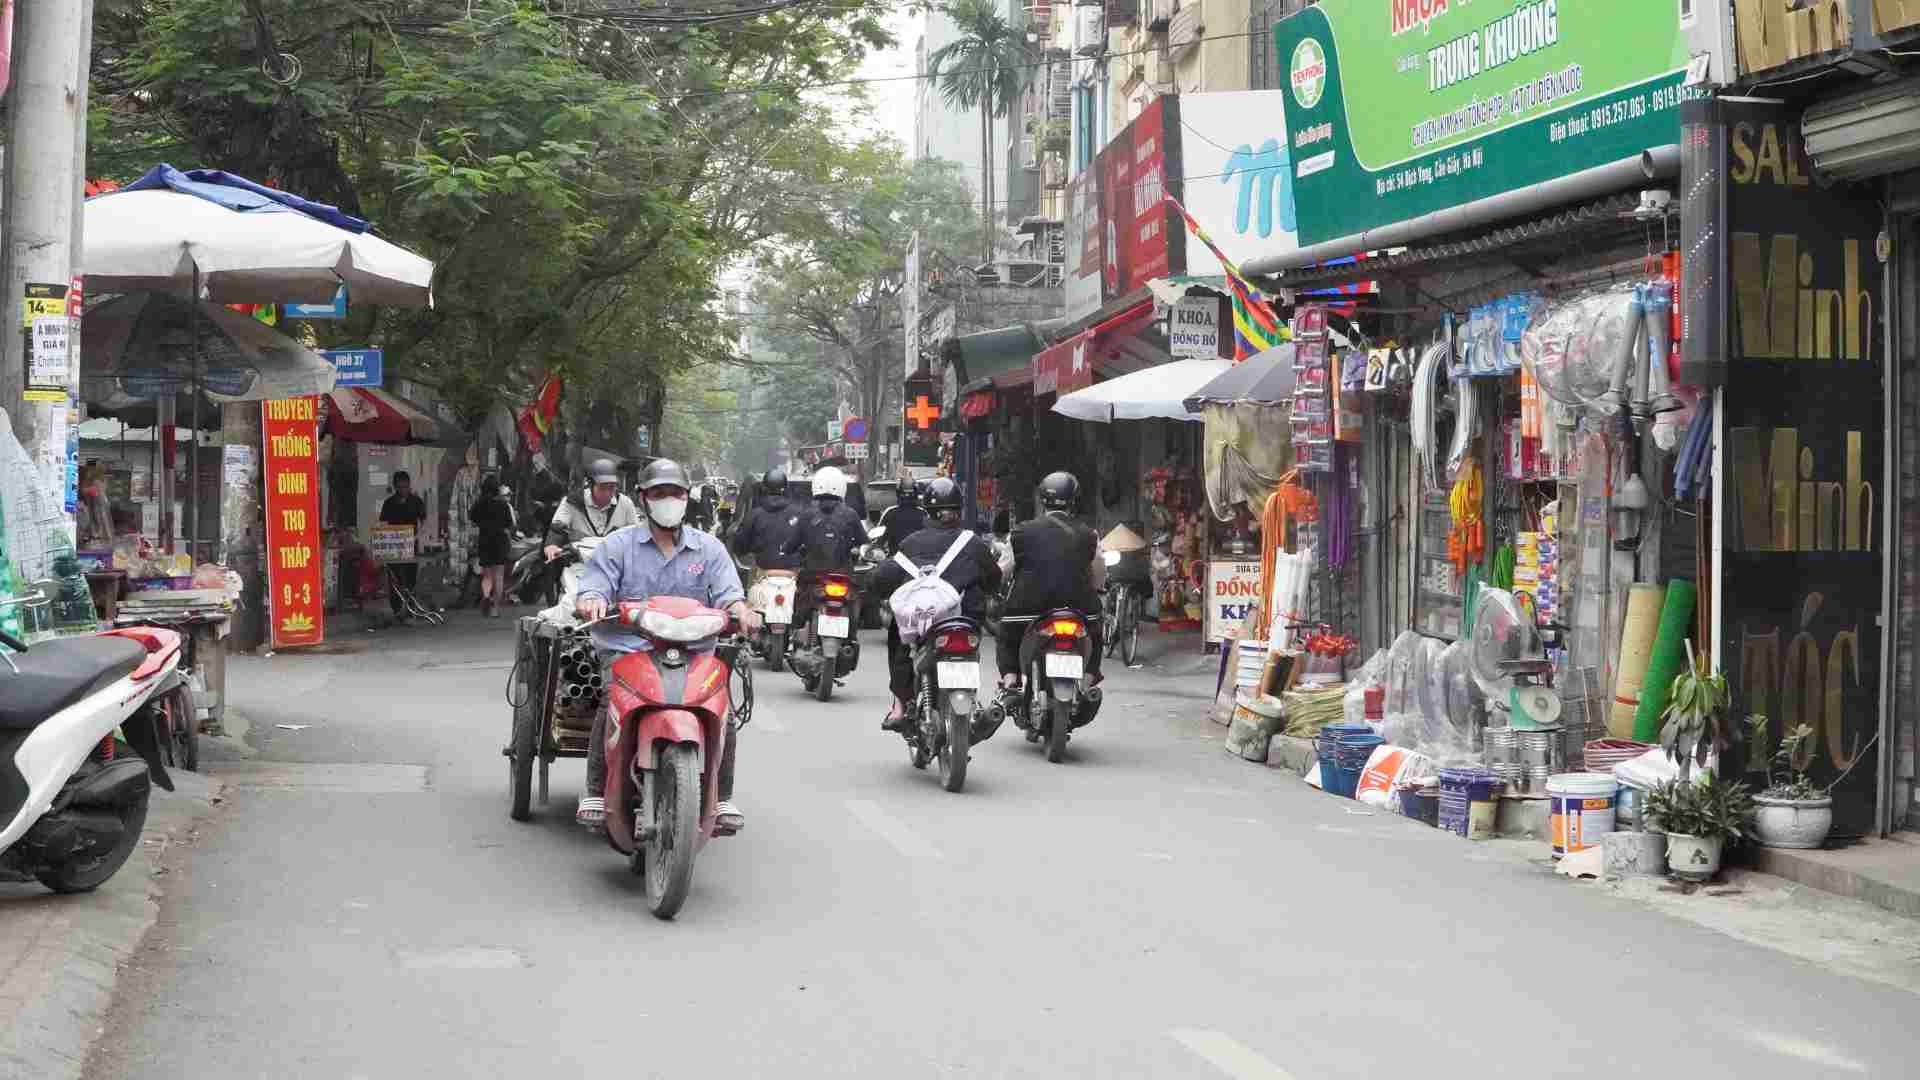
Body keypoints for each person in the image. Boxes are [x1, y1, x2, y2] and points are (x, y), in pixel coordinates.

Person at [573, 458, 757, 831]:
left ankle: (721, 797)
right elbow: (594, 586)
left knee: (723, 711)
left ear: (687, 498)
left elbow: (730, 596)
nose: (668, 500)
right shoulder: (618, 546)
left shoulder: (710, 549)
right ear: (644, 499)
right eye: (659, 493)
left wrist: (742, 611)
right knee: (611, 701)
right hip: (629, 648)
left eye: (675, 493)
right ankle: (595, 790)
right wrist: (592, 600)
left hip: (695, 652)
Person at [867, 478, 1002, 731]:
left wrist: (875, 584)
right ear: (959, 510)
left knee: (899, 637)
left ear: (927, 511)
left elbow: (883, 578)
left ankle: (900, 706)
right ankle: (973, 703)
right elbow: (994, 579)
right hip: (966, 623)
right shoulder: (972, 543)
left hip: (924, 625)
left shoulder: (911, 543)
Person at [997, 471, 1105, 693]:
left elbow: (1003, 571)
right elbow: (1099, 572)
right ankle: (1087, 682)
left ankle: (1010, 680)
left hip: (1026, 609)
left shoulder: (1020, 533)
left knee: (1007, 635)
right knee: (1095, 635)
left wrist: (998, 587)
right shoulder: (1089, 535)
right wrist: (1095, 588)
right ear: (1074, 501)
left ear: (1042, 500)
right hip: (1080, 608)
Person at [778, 465, 866, 630]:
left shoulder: (807, 515)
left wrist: (785, 550)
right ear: (842, 487)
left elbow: (792, 544)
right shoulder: (851, 514)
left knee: (798, 612)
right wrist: (854, 548)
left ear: (816, 486)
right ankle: (851, 637)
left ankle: (795, 635)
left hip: (813, 576)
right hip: (843, 575)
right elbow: (863, 540)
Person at [543, 458, 640, 559]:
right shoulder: (573, 502)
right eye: (602, 487)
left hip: (616, 561)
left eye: (612, 487)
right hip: (580, 561)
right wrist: (552, 546)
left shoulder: (625, 503)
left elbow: (635, 535)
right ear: (590, 484)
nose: (607, 493)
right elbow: (557, 529)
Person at [379, 471, 428, 620]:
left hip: (411, 545)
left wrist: (418, 536)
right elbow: (383, 524)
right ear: (395, 487)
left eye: (406, 487)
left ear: (409, 485)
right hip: (393, 546)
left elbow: (424, 521)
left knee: (410, 578)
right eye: (400, 487)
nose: (403, 490)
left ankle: (411, 608)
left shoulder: (416, 501)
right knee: (395, 579)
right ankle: (397, 609)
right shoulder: (389, 503)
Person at [468, 474, 515, 618]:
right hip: (500, 541)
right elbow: (509, 523)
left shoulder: (479, 504)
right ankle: (495, 609)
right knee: (499, 576)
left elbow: (473, 519)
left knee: (487, 575)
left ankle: (486, 595)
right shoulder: (503, 504)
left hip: (485, 540)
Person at [877, 479, 929, 556]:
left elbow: (880, 538)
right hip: (918, 558)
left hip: (896, 558)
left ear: (898, 493)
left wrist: (878, 547)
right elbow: (929, 535)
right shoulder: (923, 513)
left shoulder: (890, 512)